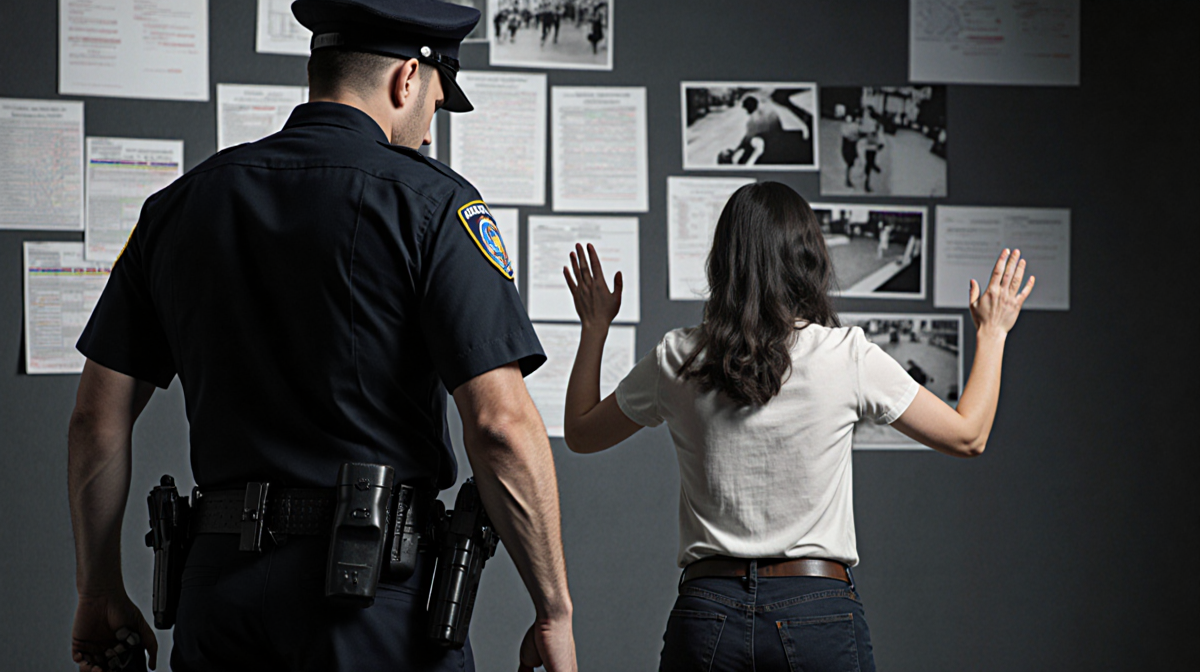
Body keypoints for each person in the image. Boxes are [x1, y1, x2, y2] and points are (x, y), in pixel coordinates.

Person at [66, 1, 577, 671]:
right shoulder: (431, 205)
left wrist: (98, 587)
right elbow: (501, 427)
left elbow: (95, 422)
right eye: (436, 101)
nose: (429, 131)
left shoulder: (180, 205)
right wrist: (553, 610)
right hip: (369, 601)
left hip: (217, 598)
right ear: (406, 79)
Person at [560, 182, 1034, 671]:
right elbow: (968, 435)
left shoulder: (678, 357)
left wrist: (595, 330)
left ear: (724, 261)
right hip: (818, 613)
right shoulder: (847, 356)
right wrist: (993, 332)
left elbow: (580, 431)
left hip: (708, 614)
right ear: (808, 259)